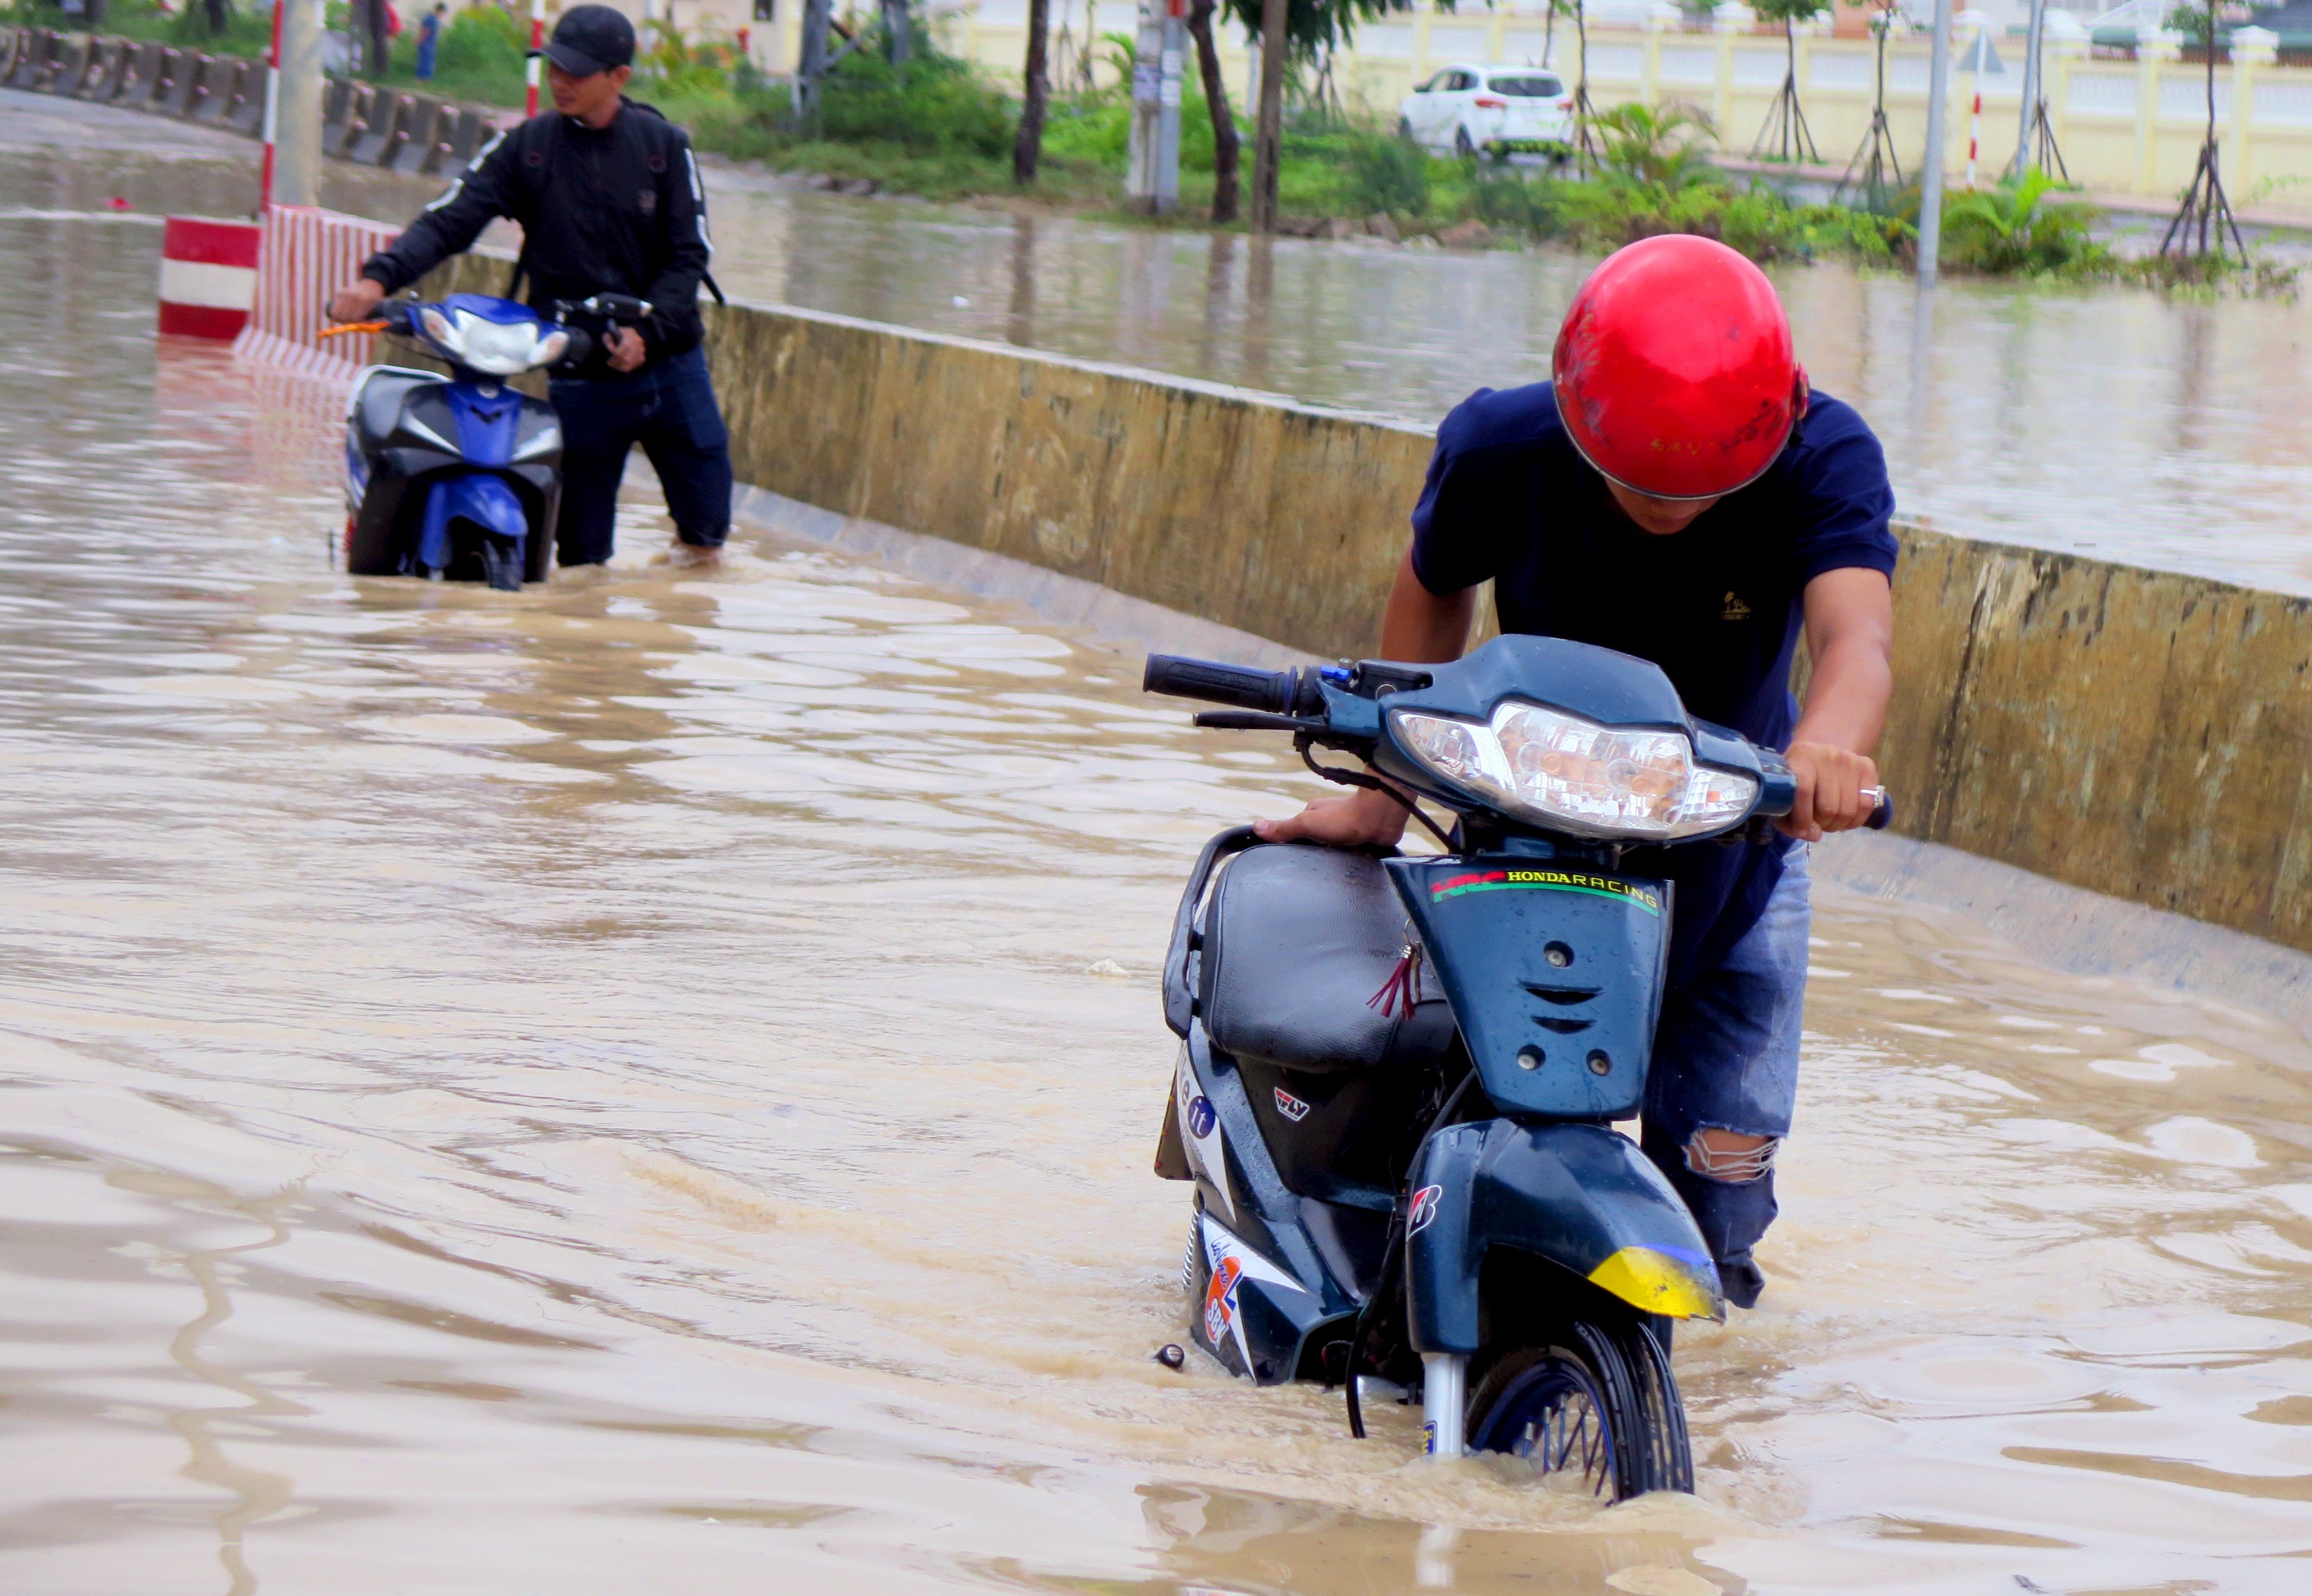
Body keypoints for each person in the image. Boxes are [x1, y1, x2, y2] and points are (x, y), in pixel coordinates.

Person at [1256, 235, 1896, 1311]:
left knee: (1722, 1216)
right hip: (1519, 849)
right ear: (1578, 417)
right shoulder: (1500, 445)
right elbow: (1432, 589)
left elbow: (1855, 638)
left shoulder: (1823, 456)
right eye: (1637, 485)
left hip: (1731, 866)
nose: (1666, 509)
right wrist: (1384, 792)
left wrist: (1825, 749)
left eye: (1697, 494)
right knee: (1436, 1140)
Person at [327, 5, 732, 571]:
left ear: (619, 77)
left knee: (706, 540)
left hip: (672, 369)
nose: (560, 82)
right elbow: (450, 219)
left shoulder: (665, 147)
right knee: (583, 559)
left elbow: (690, 256)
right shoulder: (529, 148)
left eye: (577, 73)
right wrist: (379, 277)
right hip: (581, 376)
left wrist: (649, 332)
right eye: (554, 68)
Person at [415, 2, 443, 82]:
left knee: (428, 61)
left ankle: (426, 78)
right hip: (426, 43)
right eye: (442, 12)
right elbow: (425, 30)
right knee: (424, 61)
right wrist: (419, 39)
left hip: (431, 43)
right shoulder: (430, 19)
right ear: (439, 11)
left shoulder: (434, 19)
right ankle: (420, 78)